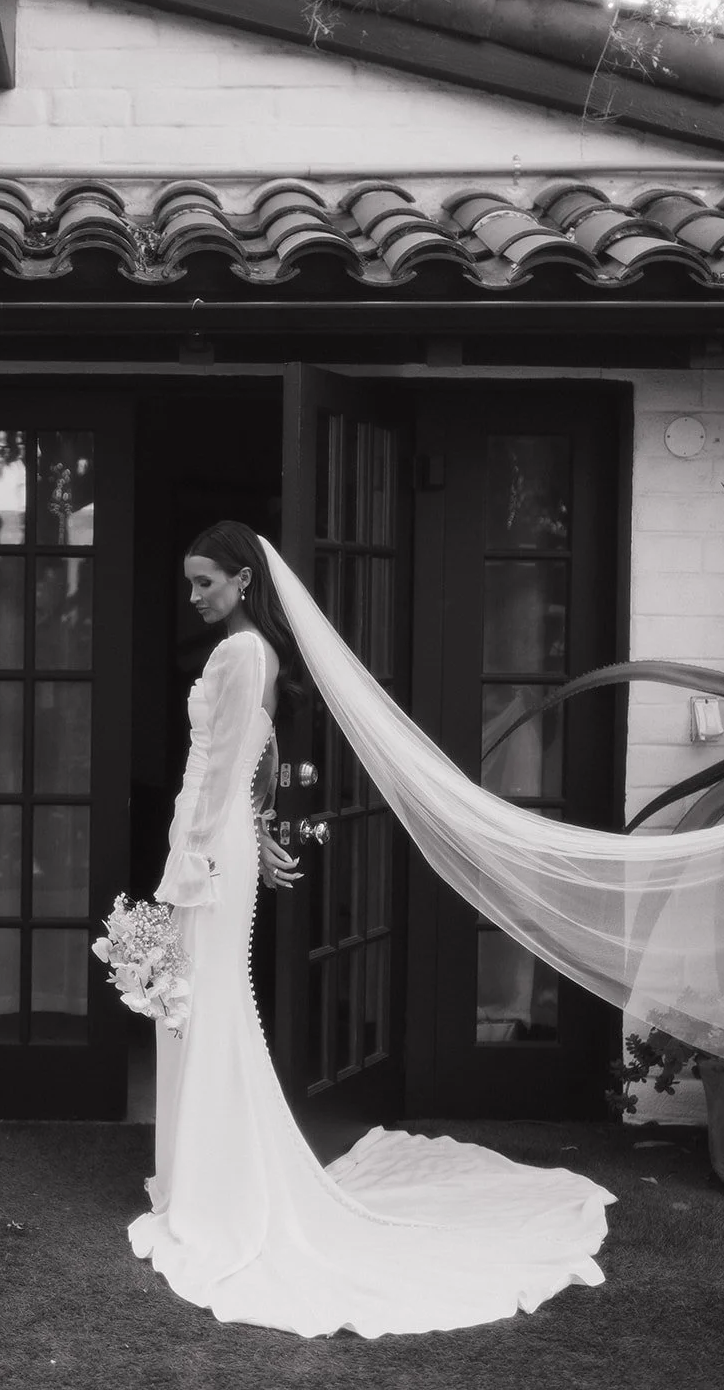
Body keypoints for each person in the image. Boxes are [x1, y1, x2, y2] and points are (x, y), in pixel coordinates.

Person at [128, 520, 615, 1337]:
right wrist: (259, 828)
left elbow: (219, 770)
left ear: (245, 580)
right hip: (219, 845)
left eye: (205, 581)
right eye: (190, 583)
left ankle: (216, 1185)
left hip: (208, 856)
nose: (195, 597)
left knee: (204, 1003)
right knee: (205, 1003)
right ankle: (205, 1173)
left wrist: (199, 858)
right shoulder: (253, 656)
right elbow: (260, 750)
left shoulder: (241, 654)